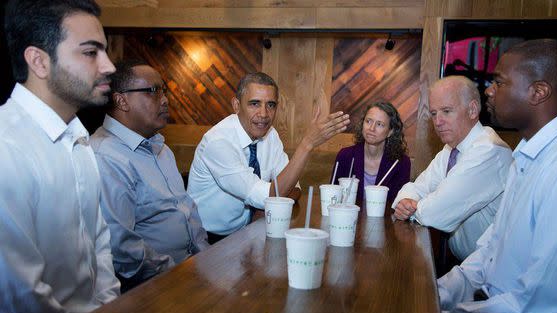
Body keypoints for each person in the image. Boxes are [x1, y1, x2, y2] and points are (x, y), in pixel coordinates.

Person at [438, 39, 557, 313]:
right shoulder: (524, 154)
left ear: (538, 92)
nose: (489, 91)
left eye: (499, 83)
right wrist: (438, 293)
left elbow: (540, 307)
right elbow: (491, 249)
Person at [0, 0, 120, 313]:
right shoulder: (6, 147)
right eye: (91, 52)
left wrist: (110, 311)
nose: (109, 66)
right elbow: (20, 298)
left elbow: (99, 245)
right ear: (39, 61)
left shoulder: (79, 139)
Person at [188, 72, 350, 244]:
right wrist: (307, 143)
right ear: (236, 105)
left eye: (270, 105)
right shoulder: (219, 143)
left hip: (246, 231)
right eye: (254, 104)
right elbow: (275, 193)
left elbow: (293, 187)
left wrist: (264, 205)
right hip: (206, 239)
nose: (264, 114)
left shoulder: (270, 135)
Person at [90, 61, 210, 291]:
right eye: (152, 91)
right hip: (150, 286)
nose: (165, 100)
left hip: (190, 271)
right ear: (121, 100)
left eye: (164, 90)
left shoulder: (160, 149)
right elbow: (122, 250)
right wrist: (179, 275)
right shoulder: (106, 156)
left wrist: (206, 262)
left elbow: (187, 212)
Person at [392, 76, 513, 260]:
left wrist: (413, 207)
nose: (438, 122)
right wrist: (405, 201)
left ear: (472, 110)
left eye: (446, 111)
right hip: (467, 265)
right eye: (433, 113)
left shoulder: (489, 150)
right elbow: (416, 187)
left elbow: (437, 211)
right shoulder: (450, 150)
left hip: (495, 272)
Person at [331, 101, 411, 204]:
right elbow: (332, 196)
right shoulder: (345, 156)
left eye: (379, 124)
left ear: (390, 132)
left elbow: (399, 204)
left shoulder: (401, 163)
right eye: (368, 121)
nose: (371, 128)